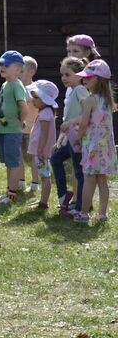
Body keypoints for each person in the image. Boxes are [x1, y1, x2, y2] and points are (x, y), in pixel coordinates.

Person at [73, 59, 117, 223]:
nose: (85, 80)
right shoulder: (107, 101)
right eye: (84, 78)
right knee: (102, 180)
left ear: (99, 79)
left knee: (89, 179)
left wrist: (78, 137)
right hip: (105, 147)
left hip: (92, 147)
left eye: (89, 78)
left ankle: (83, 213)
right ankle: (102, 214)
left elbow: (84, 123)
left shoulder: (90, 100)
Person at [0, 50, 28, 204]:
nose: (2, 67)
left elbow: (24, 107)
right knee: (8, 162)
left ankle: (12, 195)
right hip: (4, 129)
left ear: (18, 69)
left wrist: (21, 121)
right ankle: (8, 192)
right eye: (1, 64)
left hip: (12, 130)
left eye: (6, 64)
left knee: (13, 163)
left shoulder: (17, 85)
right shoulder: (5, 84)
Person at [54, 57, 89, 216]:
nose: (64, 78)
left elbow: (87, 113)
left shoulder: (80, 90)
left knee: (79, 173)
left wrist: (71, 123)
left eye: (67, 74)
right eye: (62, 75)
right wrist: (61, 137)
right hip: (70, 138)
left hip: (79, 138)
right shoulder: (73, 91)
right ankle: (64, 195)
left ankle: (80, 207)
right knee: (55, 159)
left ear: (80, 75)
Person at [26, 80, 58, 210]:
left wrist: (39, 150)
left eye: (36, 98)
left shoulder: (45, 113)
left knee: (45, 176)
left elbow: (44, 133)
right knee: (43, 175)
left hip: (42, 151)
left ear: (46, 99)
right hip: (39, 150)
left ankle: (43, 203)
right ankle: (42, 201)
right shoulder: (44, 112)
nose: (33, 101)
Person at [20, 55, 38, 192]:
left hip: (33, 130)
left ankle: (35, 183)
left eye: (21, 70)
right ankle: (20, 181)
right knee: (18, 156)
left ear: (31, 72)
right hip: (19, 129)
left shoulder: (36, 88)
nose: (18, 73)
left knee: (33, 157)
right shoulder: (17, 87)